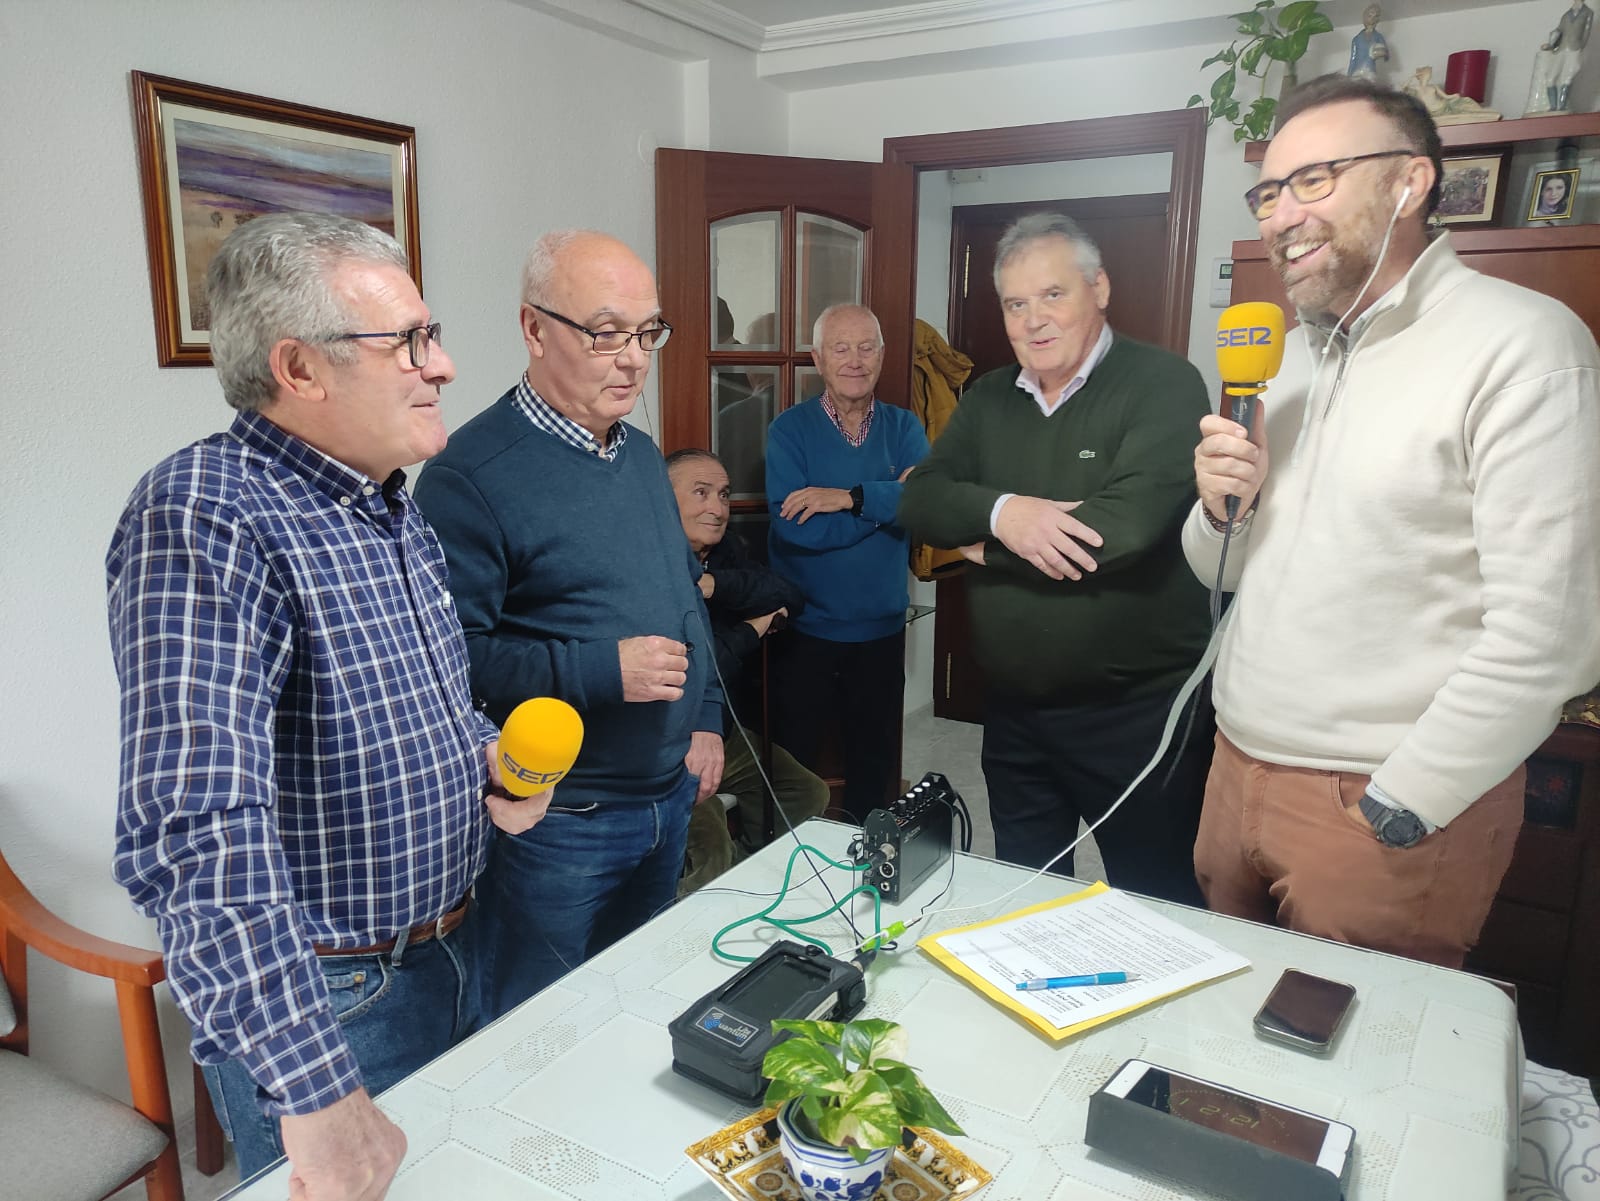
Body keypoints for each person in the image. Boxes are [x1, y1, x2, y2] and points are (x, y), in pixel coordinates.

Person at [107, 212, 552, 1193]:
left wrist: (482, 753)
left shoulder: (387, 501)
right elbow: (195, 831)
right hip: (338, 998)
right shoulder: (207, 511)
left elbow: (429, 700)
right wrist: (316, 1091)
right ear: (299, 370)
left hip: (454, 942)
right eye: (411, 341)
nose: (442, 366)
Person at [1185, 74, 1600, 967]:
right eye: (1268, 190)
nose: (1280, 215)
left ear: (1410, 183)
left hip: (1376, 800)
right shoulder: (1288, 359)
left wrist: (1404, 799)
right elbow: (1214, 567)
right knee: (1218, 1046)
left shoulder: (1523, 344)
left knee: (1344, 1069)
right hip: (1236, 770)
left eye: (1314, 179)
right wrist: (1225, 502)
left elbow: (1552, 635)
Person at [414, 230, 723, 1015]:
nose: (633, 359)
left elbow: (687, 603)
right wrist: (601, 669)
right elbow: (454, 663)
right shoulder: (467, 476)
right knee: (534, 1027)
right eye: (606, 332)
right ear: (533, 328)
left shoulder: (643, 455)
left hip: (666, 795)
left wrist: (709, 718)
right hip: (563, 820)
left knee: (634, 1012)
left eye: (647, 332)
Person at [898, 213, 1214, 906]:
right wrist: (1008, 513)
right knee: (1028, 898)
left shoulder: (1165, 384)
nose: (1033, 320)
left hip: (1136, 715)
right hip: (1013, 712)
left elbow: (1118, 533)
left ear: (1098, 288)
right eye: (1015, 303)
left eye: (1052, 294)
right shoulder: (987, 397)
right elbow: (919, 502)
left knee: (1155, 902)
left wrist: (986, 547)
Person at [765, 304, 931, 823]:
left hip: (882, 627)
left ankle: (867, 861)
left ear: (881, 355)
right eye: (841, 348)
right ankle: (788, 863)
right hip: (806, 625)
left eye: (866, 347)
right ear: (818, 358)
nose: (855, 360)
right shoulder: (789, 431)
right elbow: (799, 531)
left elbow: (925, 502)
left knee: (874, 760)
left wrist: (847, 498)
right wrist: (885, 504)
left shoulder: (905, 428)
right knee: (796, 761)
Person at [667, 449, 830, 892]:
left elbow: (788, 595)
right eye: (700, 493)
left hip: (723, 729)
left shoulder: (724, 552)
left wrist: (714, 585)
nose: (717, 508)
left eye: (722, 494)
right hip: (666, 740)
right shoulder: (650, 565)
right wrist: (753, 628)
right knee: (710, 851)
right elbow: (699, 667)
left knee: (806, 793)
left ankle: (749, 881)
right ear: (662, 500)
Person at [1542, 0, 1593, 112]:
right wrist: (1551, 43)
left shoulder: (1588, 12)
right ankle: (1553, 107)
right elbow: (1559, 30)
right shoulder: (1566, 15)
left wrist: (1580, 47)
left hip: (1574, 48)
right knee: (1551, 77)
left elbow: (1586, 32)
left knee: (1567, 77)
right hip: (1562, 48)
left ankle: (1561, 107)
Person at [1347, 4, 1389, 81]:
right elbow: (1353, 59)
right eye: (1369, 16)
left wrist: (1380, 53)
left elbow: (1386, 55)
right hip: (1357, 72)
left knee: (1370, 88)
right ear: (1365, 17)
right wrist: (1349, 76)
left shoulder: (1378, 37)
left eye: (1375, 17)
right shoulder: (1356, 39)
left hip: (1370, 70)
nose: (1372, 20)